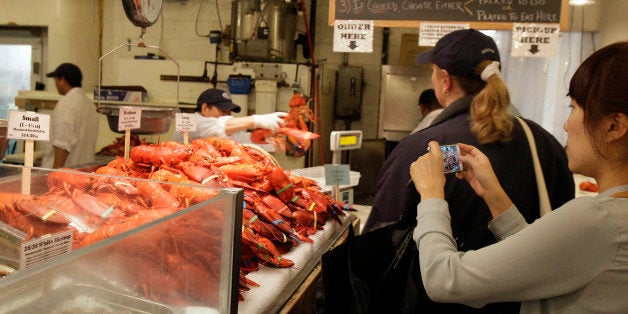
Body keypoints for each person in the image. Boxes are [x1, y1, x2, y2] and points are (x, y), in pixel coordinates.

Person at [363, 29, 575, 312]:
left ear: (445, 81)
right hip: (526, 302)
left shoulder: (424, 147)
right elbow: (561, 227)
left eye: (433, 73)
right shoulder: (544, 144)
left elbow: (380, 237)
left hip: (437, 299)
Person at [410, 41, 628, 313]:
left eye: (573, 107)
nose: (566, 124)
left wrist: (431, 195)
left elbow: (445, 279)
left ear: (613, 126)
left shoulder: (598, 221)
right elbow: (547, 258)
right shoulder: (613, 219)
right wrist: (495, 197)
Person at [173, 88, 287, 142]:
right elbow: (218, 125)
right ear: (205, 108)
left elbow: (243, 138)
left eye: (229, 112)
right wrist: (258, 119)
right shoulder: (193, 122)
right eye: (223, 111)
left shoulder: (223, 131)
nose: (227, 116)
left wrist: (272, 135)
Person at [41, 63, 99, 168]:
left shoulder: (66, 104)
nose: (56, 84)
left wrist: (55, 174)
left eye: (56, 80)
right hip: (85, 171)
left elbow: (62, 145)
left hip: (66, 173)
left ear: (62, 80)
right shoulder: (89, 104)